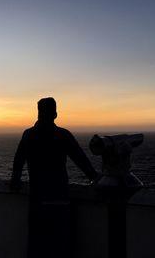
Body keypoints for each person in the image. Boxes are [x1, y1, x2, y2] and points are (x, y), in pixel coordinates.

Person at [11, 97, 98, 258]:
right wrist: (95, 178)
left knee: (37, 248)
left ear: (38, 113)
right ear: (55, 114)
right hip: (60, 201)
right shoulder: (63, 135)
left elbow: (18, 162)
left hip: (37, 202)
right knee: (60, 249)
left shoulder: (28, 135)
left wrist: (15, 182)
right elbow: (81, 159)